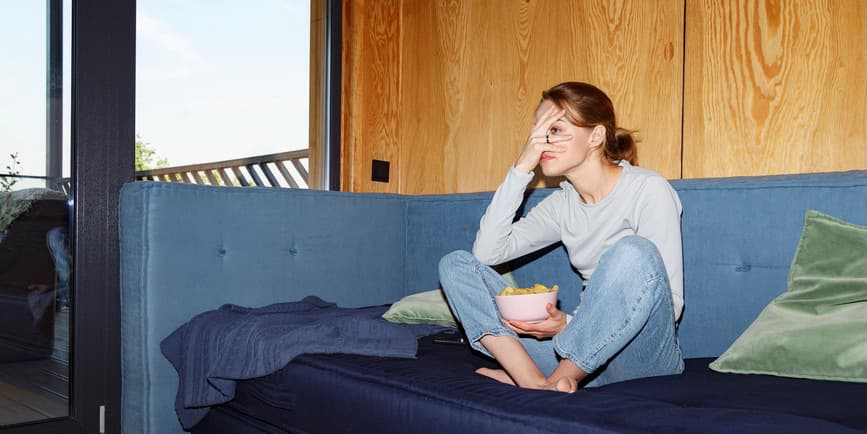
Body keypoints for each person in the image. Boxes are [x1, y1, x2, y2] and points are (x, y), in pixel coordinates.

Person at [438, 82, 684, 393]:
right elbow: (487, 254)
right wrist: (522, 168)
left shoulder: (648, 190)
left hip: (643, 358)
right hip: (579, 360)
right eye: (537, 132)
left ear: (595, 136)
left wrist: (568, 324)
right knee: (456, 264)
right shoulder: (562, 203)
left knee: (632, 253)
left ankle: (552, 383)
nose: (541, 142)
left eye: (554, 129)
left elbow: (670, 305)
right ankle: (530, 379)